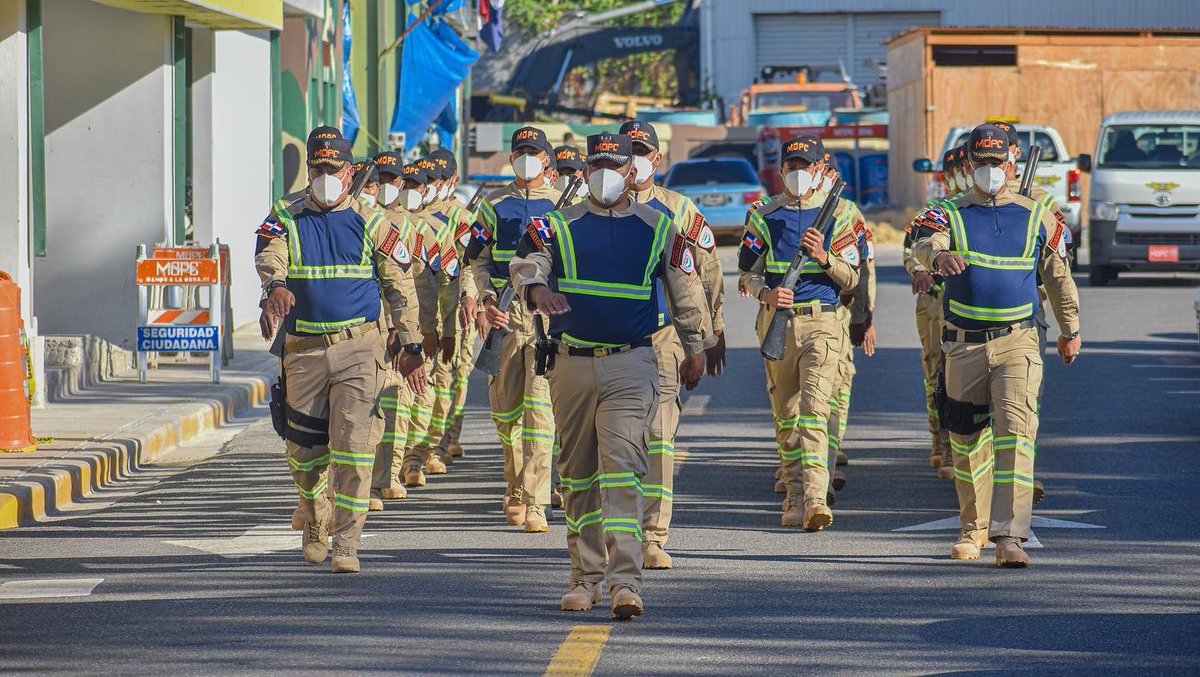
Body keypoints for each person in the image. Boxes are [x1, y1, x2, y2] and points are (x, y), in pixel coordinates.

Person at [508, 132, 714, 619]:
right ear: (583, 172)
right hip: (572, 364)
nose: (604, 174)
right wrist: (539, 293)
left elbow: (686, 291)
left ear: (631, 173)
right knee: (578, 478)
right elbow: (527, 265)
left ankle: (625, 583)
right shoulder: (555, 224)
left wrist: (696, 347)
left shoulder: (661, 227)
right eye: (595, 165)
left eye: (614, 165)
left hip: (632, 363)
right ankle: (585, 579)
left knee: (623, 471)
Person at [255, 126, 426, 573]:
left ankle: (348, 542)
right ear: (309, 169)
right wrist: (275, 284)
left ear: (350, 172)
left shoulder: (374, 222)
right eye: (317, 168)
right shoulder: (286, 213)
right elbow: (270, 253)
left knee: (354, 448)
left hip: (359, 349)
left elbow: (400, 285)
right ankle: (315, 514)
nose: (325, 176)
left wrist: (410, 343)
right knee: (304, 454)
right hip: (304, 349)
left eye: (333, 168)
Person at [911, 123, 1081, 567]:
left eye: (997, 161)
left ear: (1012, 161)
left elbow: (1059, 278)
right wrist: (936, 256)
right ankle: (974, 529)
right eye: (981, 162)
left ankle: (1011, 537)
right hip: (963, 347)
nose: (990, 170)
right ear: (969, 164)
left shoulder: (1039, 213)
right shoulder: (948, 212)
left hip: (1017, 342)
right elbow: (923, 243)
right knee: (966, 442)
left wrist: (1070, 330)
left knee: (1016, 437)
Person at [738, 135, 862, 531]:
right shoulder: (763, 215)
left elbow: (852, 278)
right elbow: (747, 275)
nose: (797, 173)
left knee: (815, 410)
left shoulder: (840, 214)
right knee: (787, 414)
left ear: (818, 170)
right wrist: (768, 293)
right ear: (781, 171)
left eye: (804, 166)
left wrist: (825, 257)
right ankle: (793, 496)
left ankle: (815, 499)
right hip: (778, 321)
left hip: (823, 322)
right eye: (791, 167)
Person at [619, 119, 726, 569]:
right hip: (612, 338)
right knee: (621, 441)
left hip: (665, 338)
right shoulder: (599, 208)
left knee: (661, 437)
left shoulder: (680, 210)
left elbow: (706, 273)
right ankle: (617, 534)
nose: (635, 161)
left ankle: (653, 535)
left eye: (642, 151)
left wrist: (710, 335)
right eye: (628, 152)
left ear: (656, 159)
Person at [467, 126, 562, 533]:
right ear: (511, 159)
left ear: (547, 160)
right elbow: (476, 260)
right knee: (506, 414)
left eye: (534, 151)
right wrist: (488, 300)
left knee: (540, 415)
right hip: (506, 324)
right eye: (520, 151)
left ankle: (536, 500)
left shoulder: (565, 207)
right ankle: (515, 484)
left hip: (546, 323)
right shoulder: (494, 206)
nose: (527, 158)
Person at [366, 153, 446, 504]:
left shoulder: (417, 229)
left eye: (390, 179)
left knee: (400, 400)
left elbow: (443, 275)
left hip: (404, 328)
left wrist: (429, 328)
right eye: (378, 178)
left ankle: (392, 472)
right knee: (368, 404)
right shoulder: (361, 219)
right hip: (367, 326)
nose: (385, 185)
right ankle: (371, 480)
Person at [396, 158, 457, 488]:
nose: (406, 192)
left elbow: (452, 281)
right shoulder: (379, 224)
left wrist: (447, 330)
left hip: (426, 326)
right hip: (392, 326)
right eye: (400, 185)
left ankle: (417, 457)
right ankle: (392, 466)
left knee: (426, 393)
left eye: (413, 186)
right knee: (394, 400)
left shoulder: (436, 230)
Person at [904, 146, 961, 481]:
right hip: (934, 300)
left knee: (961, 379)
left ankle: (960, 447)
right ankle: (940, 441)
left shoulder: (978, 211)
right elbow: (910, 249)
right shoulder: (932, 214)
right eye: (951, 173)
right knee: (936, 373)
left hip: (966, 306)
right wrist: (919, 270)